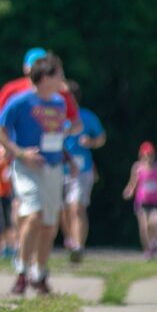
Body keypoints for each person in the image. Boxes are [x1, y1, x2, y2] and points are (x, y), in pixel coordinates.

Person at [0, 53, 75, 295]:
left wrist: (68, 159)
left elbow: (58, 136)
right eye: (58, 73)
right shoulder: (20, 101)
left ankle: (40, 273)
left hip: (53, 167)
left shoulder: (60, 102)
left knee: (49, 224)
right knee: (33, 214)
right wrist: (19, 153)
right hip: (27, 168)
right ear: (46, 77)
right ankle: (21, 271)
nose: (62, 78)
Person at [61, 80, 106, 263]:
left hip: (82, 169)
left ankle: (79, 246)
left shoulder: (87, 117)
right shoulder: (56, 116)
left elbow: (102, 137)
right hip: (59, 168)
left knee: (77, 207)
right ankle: (71, 239)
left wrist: (92, 143)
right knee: (63, 210)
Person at [122, 141, 157, 259]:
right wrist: (128, 191)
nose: (147, 157)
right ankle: (148, 249)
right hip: (142, 201)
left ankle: (155, 243)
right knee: (144, 226)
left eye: (150, 154)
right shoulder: (137, 167)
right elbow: (133, 183)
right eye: (145, 155)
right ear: (141, 155)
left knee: (155, 221)